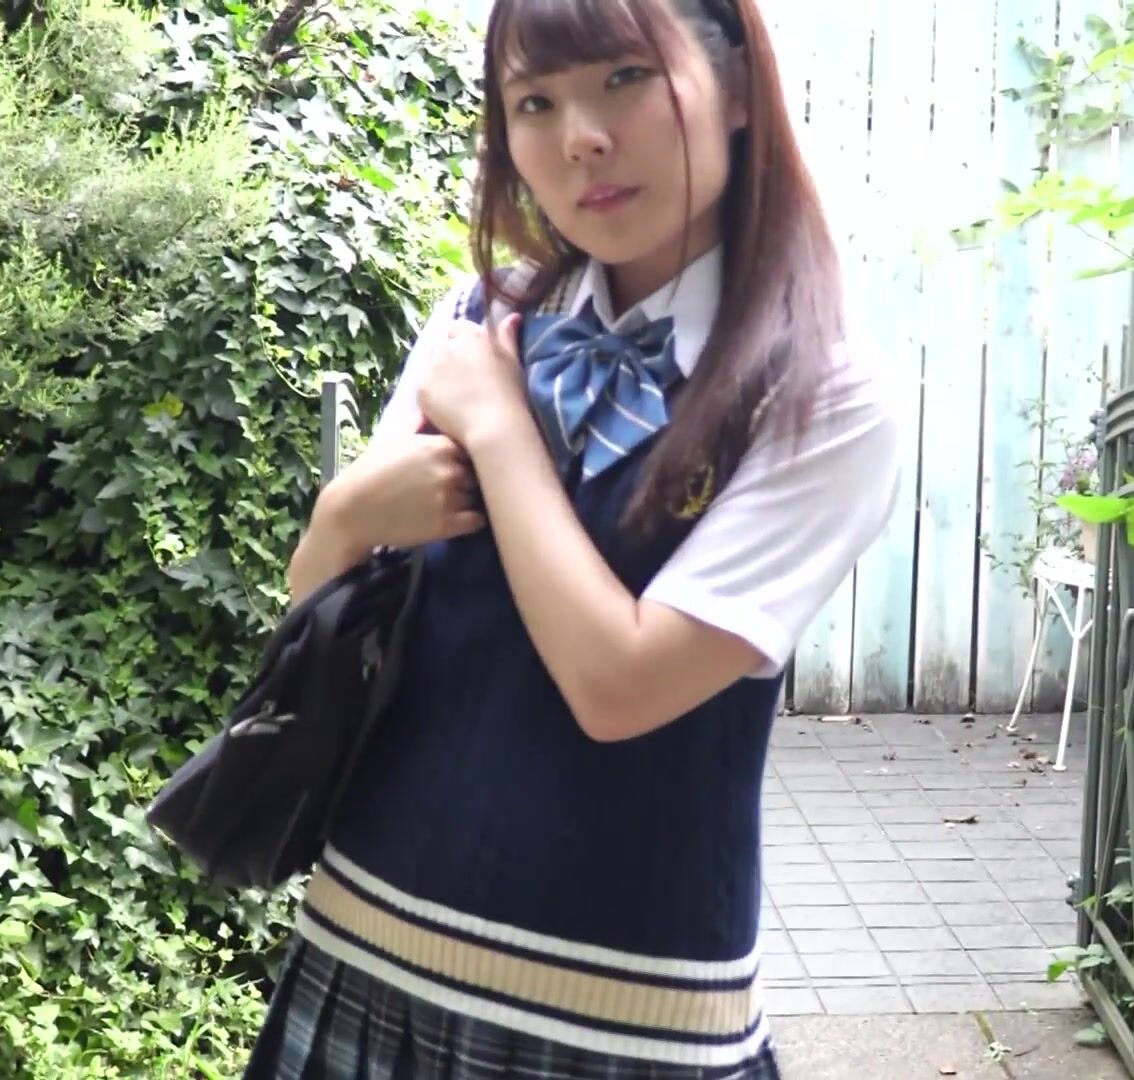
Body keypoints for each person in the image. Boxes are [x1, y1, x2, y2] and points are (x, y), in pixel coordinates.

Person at [248, 0, 899, 1075]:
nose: (580, 138)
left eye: (625, 80)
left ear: (737, 89)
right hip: (362, 948)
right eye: (534, 103)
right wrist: (344, 515)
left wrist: (501, 434)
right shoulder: (477, 319)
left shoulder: (823, 396)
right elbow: (319, 612)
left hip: (620, 1023)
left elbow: (620, 687)